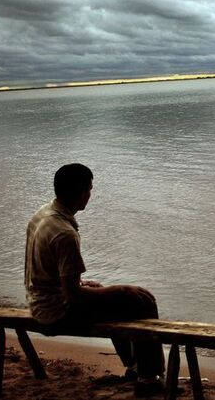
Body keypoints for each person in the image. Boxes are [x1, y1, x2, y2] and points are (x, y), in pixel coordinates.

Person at [24, 163, 166, 397]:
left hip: (38, 301)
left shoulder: (42, 215)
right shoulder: (64, 233)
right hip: (54, 313)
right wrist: (120, 289)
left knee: (116, 298)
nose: (90, 194)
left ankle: (135, 368)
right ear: (81, 193)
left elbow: (44, 272)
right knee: (141, 301)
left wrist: (85, 285)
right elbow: (74, 297)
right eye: (89, 189)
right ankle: (149, 378)